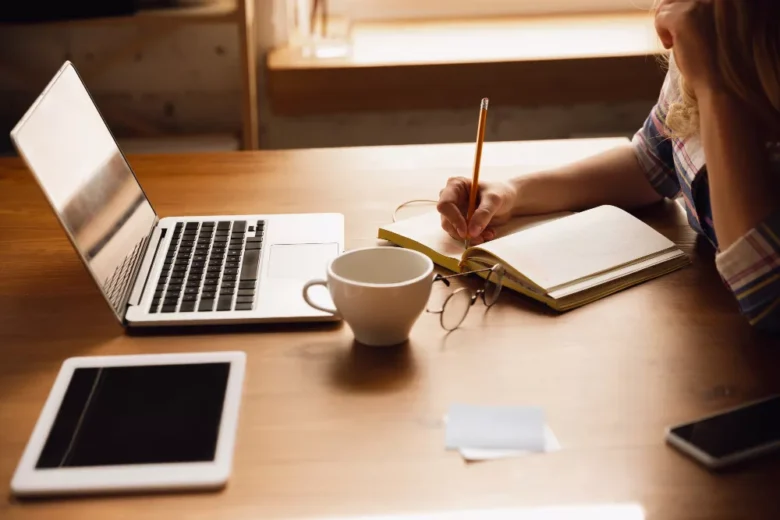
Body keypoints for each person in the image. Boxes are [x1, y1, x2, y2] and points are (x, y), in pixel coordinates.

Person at [436, 0, 780, 332]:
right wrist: (514, 192)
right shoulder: (707, 38)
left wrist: (716, 88)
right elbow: (649, 163)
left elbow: (765, 296)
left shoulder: (713, 60)